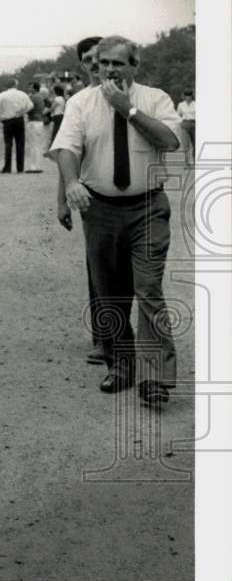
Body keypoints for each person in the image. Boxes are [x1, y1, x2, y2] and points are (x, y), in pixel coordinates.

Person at [50, 35, 182, 404]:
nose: (108, 69)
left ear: (134, 66)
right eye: (103, 62)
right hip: (101, 210)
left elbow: (170, 141)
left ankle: (156, 376)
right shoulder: (81, 103)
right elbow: (67, 148)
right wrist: (72, 182)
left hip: (147, 207)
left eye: (118, 63)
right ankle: (121, 365)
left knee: (149, 289)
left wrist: (129, 110)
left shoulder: (155, 99)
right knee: (111, 293)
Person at [55, 36, 108, 366]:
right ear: (81, 63)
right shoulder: (78, 102)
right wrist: (61, 200)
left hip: (133, 197)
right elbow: (67, 154)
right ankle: (104, 338)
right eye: (87, 58)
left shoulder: (136, 97)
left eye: (99, 57)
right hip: (94, 197)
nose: (94, 63)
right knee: (99, 270)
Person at [0, 80, 31, 173]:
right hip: (19, 119)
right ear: (16, 85)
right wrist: (22, 112)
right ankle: (20, 167)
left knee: (8, 144)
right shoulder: (23, 94)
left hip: (8, 120)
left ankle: (7, 167)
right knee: (20, 144)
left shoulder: (3, 95)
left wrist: (0, 117)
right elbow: (30, 106)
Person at [24, 82, 49, 172]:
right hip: (39, 121)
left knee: (33, 145)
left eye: (30, 87)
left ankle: (33, 166)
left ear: (34, 88)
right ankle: (37, 165)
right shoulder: (40, 97)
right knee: (38, 145)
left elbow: (28, 108)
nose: (29, 89)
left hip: (33, 122)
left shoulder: (33, 97)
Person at [176, 89, 195, 161]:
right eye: (186, 96)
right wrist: (180, 122)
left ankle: (194, 160)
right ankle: (186, 162)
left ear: (191, 96)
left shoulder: (195, 104)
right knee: (185, 145)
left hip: (194, 124)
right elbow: (178, 115)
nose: (188, 97)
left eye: (189, 96)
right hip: (185, 123)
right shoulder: (181, 105)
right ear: (184, 96)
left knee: (195, 144)